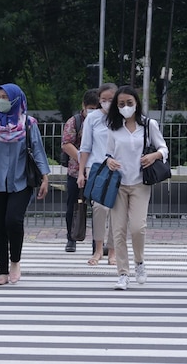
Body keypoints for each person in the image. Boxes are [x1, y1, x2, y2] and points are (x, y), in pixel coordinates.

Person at [0, 83, 50, 286]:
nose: (2, 100)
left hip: (20, 181)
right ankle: (2, 271)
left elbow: (38, 151)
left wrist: (45, 178)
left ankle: (15, 261)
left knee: (13, 221)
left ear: (16, 99)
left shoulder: (28, 124)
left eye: (6, 97)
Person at [105, 85, 168, 290]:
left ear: (136, 103)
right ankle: (123, 273)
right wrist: (109, 161)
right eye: (121, 104)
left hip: (141, 183)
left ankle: (139, 262)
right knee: (118, 230)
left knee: (138, 228)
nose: (125, 107)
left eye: (129, 103)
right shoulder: (113, 128)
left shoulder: (149, 125)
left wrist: (154, 156)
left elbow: (163, 148)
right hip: (118, 183)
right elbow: (107, 154)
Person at [77, 83, 118, 265]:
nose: (107, 103)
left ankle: (113, 251)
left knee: (117, 211)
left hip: (118, 168)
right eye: (104, 100)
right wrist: (81, 172)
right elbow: (85, 147)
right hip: (96, 168)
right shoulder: (92, 118)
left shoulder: (124, 117)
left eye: (111, 99)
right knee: (99, 208)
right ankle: (98, 249)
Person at [61, 88, 99, 252]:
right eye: (89, 107)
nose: (92, 111)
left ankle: (97, 242)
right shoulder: (74, 121)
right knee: (73, 206)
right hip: (76, 171)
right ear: (83, 106)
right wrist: (82, 158)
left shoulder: (103, 121)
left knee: (98, 208)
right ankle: (72, 237)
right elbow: (66, 144)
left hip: (97, 172)